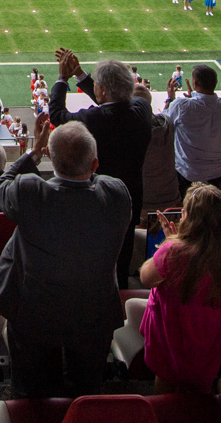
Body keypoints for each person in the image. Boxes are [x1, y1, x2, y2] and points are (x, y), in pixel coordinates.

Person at [0, 118, 133, 396]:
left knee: (30, 394)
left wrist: (33, 153)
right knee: (86, 391)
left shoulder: (30, 192)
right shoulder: (116, 195)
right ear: (95, 164)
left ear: (50, 158)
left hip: (33, 313)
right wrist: (82, 165)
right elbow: (96, 181)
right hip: (94, 313)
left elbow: (2, 182)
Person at [49, 48, 153, 284]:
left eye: (97, 84)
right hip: (131, 196)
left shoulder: (95, 119)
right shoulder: (142, 110)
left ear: (103, 90)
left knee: (95, 255)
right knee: (123, 254)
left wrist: (62, 78)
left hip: (98, 197)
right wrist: (80, 75)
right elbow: (115, 103)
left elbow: (57, 115)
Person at [139, 184, 221, 394]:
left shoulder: (173, 253)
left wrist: (170, 242)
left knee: (165, 390)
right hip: (208, 343)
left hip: (169, 343)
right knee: (199, 392)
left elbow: (146, 278)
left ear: (188, 218)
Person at [163, 64, 221, 194]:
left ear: (195, 84)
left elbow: (162, 123)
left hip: (187, 174)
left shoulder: (181, 106)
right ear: (215, 82)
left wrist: (170, 98)